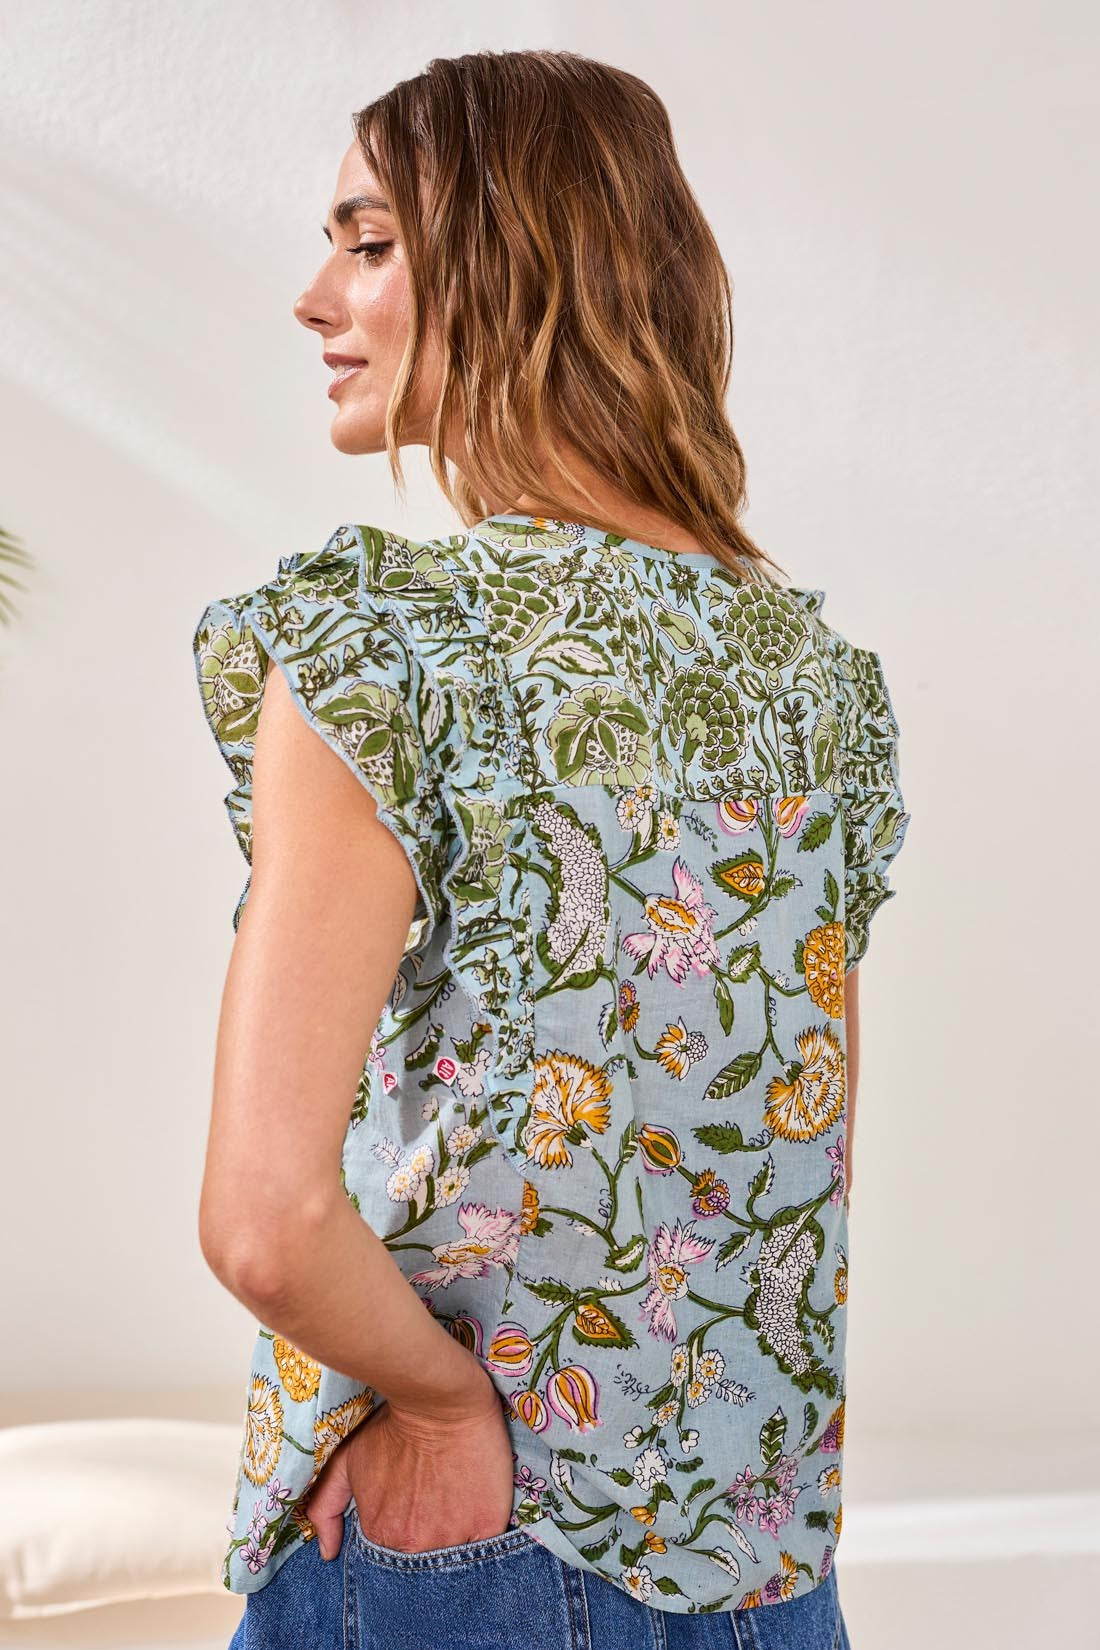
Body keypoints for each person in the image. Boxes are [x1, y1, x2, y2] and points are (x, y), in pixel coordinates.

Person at [193, 47, 909, 1650]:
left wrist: (443, 1403)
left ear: (514, 259)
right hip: (758, 1562)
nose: (316, 297)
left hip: (468, 1538)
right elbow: (801, 1148)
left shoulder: (386, 646)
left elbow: (264, 1214)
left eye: (370, 243)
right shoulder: (820, 686)